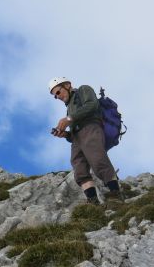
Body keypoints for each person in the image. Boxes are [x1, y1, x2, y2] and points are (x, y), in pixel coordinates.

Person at [48, 77, 122, 205]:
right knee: (79, 169)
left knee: (98, 160)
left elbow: (92, 105)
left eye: (58, 92)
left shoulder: (83, 89)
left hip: (90, 128)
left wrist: (69, 119)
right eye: (55, 96)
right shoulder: (69, 106)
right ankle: (93, 202)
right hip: (77, 138)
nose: (57, 97)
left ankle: (116, 194)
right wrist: (65, 134)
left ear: (67, 85)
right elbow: (71, 136)